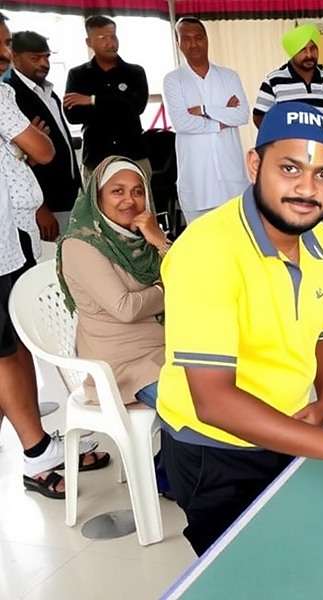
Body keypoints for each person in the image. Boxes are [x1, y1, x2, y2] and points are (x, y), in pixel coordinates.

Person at [156, 102, 323, 554]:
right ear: (254, 164)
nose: (308, 189)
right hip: (216, 450)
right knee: (245, 572)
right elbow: (213, 402)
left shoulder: (320, 239)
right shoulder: (205, 251)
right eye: (290, 168)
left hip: (291, 427)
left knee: (295, 551)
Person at [0, 12, 111, 501]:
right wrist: (25, 148)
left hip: (13, 234)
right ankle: (36, 452)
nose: (5, 53)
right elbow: (40, 149)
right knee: (7, 349)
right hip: (5, 239)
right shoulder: (5, 94)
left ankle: (44, 441)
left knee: (18, 341)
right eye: (3, 45)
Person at [57, 157, 168, 408]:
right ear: (97, 197)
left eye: (138, 192)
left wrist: (160, 241)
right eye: (117, 191)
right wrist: (166, 288)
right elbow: (126, 308)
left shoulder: (142, 239)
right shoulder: (81, 245)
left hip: (168, 351)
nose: (129, 200)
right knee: (201, 409)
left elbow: (195, 286)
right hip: (124, 367)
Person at [254, 24, 323, 235]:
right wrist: (282, 148)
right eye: (302, 49)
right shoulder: (274, 80)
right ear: (291, 52)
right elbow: (260, 116)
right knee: (290, 220)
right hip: (291, 166)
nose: (309, 54)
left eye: (313, 48)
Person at [162, 17, 249, 225]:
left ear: (207, 39)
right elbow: (182, 122)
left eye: (198, 37)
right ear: (178, 43)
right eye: (187, 39)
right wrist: (221, 120)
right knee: (203, 250)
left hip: (231, 180)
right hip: (197, 181)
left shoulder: (229, 77)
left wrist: (204, 110)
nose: (193, 44)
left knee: (236, 242)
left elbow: (242, 115)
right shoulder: (173, 80)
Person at [6, 31, 80, 236]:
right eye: (35, 58)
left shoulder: (49, 92)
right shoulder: (10, 96)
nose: (44, 63)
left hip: (68, 196)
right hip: (43, 204)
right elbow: (14, 162)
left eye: (47, 56)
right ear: (14, 56)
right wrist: (41, 208)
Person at [64, 16, 150, 179]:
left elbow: (137, 107)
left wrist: (92, 100)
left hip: (133, 156)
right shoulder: (78, 75)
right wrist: (119, 103)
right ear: (89, 42)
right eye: (103, 38)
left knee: (140, 203)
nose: (111, 43)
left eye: (113, 36)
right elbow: (73, 116)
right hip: (96, 158)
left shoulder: (135, 72)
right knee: (96, 204)